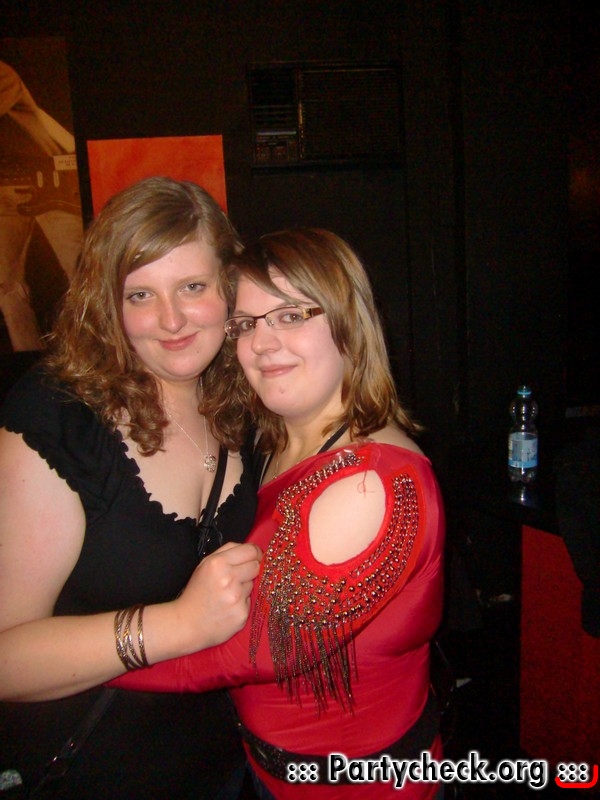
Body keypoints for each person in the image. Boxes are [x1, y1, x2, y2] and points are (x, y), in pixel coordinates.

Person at [112, 227, 447, 799]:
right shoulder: (274, 444)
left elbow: (247, 655)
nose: (262, 343)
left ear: (349, 325)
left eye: (291, 316)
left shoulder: (370, 483)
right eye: (245, 324)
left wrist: (77, 662)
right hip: (267, 767)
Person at [0, 176, 261, 800]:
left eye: (192, 287)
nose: (171, 320)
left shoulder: (247, 400)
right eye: (140, 294)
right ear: (106, 304)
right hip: (89, 776)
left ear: (229, 286)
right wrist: (179, 625)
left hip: (224, 766)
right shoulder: (60, 418)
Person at [0, 59, 84, 352]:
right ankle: (27, 357)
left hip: (50, 180)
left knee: (83, 277)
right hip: (5, 188)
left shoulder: (2, 73)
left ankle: (93, 355)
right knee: (6, 286)